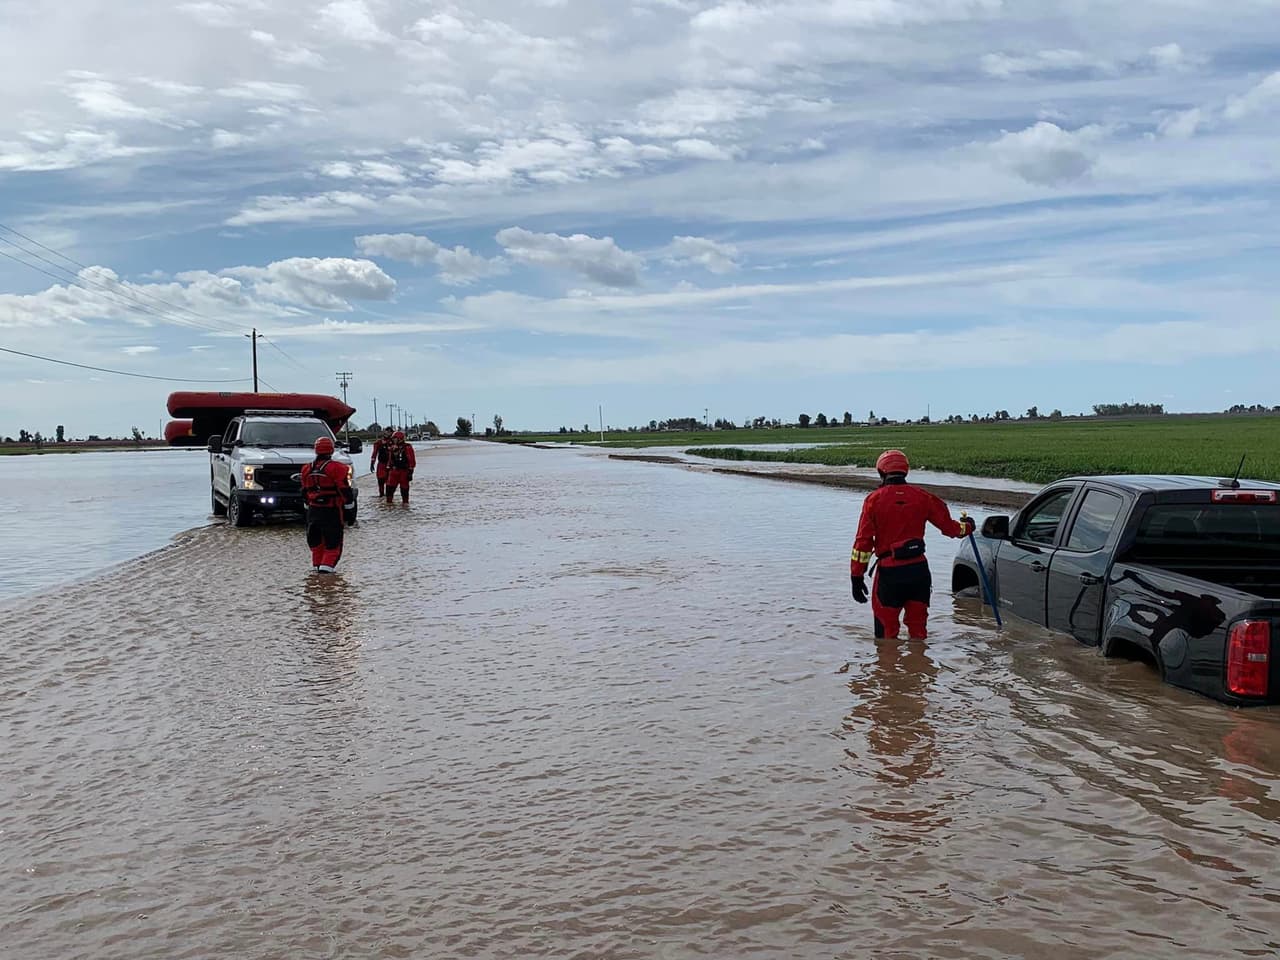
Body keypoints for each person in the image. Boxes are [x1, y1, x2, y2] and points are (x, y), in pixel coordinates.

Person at [849, 449, 975, 640]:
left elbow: (863, 543)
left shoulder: (873, 500)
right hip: (918, 572)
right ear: (905, 471)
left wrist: (856, 576)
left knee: (886, 635)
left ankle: (888, 669)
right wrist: (968, 526)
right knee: (918, 631)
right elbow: (951, 529)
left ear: (882, 472)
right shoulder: (923, 497)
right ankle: (920, 665)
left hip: (889, 575)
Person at [302, 436, 354, 573]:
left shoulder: (306, 469)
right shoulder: (338, 468)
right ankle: (327, 585)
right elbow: (345, 490)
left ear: (316, 450)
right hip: (331, 512)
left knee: (316, 547)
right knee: (333, 548)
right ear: (331, 450)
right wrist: (350, 510)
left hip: (313, 513)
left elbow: (304, 493)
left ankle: (315, 582)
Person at [384, 430, 416, 504]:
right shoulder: (392, 448)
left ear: (400, 438)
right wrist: (388, 468)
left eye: (395, 438)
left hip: (404, 472)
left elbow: (412, 460)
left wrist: (411, 472)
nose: (393, 440)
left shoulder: (407, 447)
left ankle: (405, 507)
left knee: (404, 491)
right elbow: (390, 459)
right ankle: (389, 506)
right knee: (389, 489)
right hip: (393, 471)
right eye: (393, 438)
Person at [370, 426, 394, 497]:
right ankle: (381, 495)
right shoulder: (379, 442)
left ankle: (388, 496)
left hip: (391, 464)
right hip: (381, 464)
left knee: (389, 481)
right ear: (384, 432)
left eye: (390, 432)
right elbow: (374, 453)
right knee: (380, 480)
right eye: (387, 431)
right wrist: (372, 463)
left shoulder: (393, 442)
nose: (388, 433)